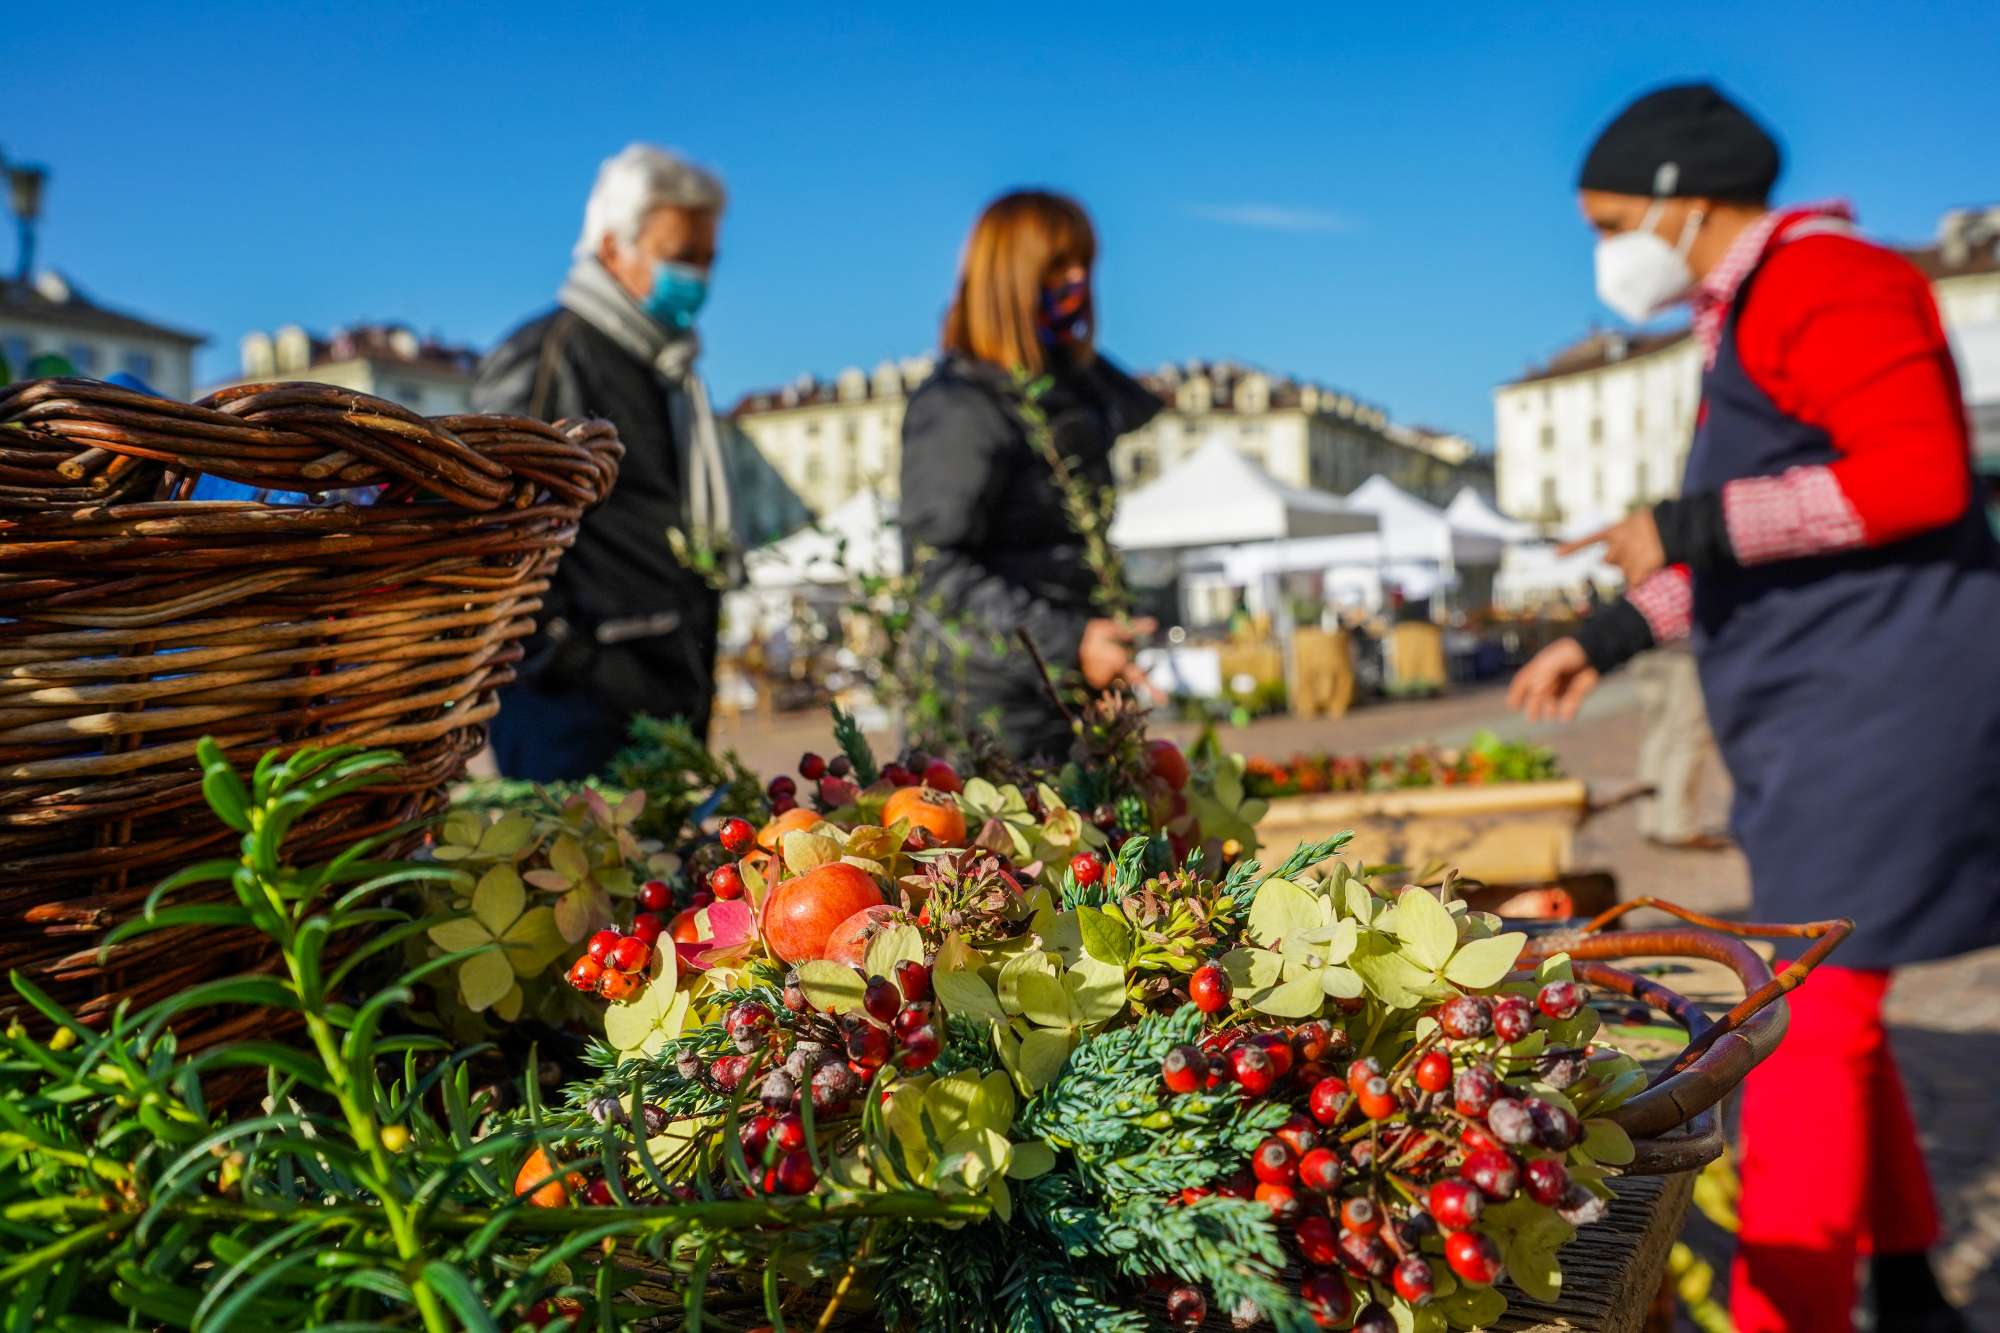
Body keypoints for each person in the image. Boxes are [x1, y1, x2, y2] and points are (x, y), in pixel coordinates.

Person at [1509, 83, 1997, 1333]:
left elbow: (1915, 475)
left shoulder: (1826, 279)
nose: (1603, 252)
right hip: (1824, 712)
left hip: (1881, 709)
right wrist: (1605, 631)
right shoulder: (1746, 313)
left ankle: (1793, 1307)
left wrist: (1680, 523)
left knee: (1807, 1018)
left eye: (1606, 220)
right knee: (1843, 979)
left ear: (1677, 198)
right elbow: (1751, 548)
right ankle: (1903, 1278)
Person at [472, 144, 735, 781]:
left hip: (659, 698)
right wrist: (571, 658)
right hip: (574, 714)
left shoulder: (667, 371)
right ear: (614, 248)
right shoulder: (548, 359)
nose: (698, 278)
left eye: (708, 259)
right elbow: (490, 537)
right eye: (682, 258)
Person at [899, 190, 1161, 760]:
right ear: (1010, 278)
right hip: (986, 718)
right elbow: (935, 573)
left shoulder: (1072, 397)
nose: (1076, 281)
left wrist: (1102, 632)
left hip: (1060, 700)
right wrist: (1070, 643)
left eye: (1083, 265)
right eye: (1057, 266)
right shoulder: (960, 407)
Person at [1628, 643, 1725, 850]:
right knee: (1687, 736)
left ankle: (1652, 820)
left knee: (1657, 732)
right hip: (1680, 648)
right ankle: (1676, 826)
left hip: (1643, 645)